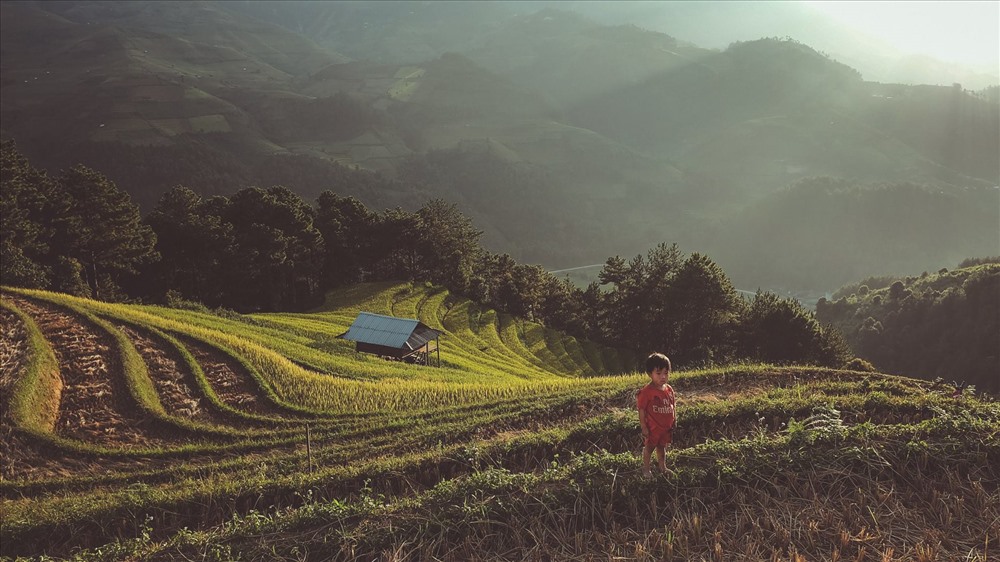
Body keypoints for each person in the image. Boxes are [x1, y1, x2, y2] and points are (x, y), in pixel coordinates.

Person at [637, 352, 675, 477]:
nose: (663, 376)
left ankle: (663, 467)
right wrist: (643, 426)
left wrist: (674, 420)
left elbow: (672, 405)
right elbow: (641, 409)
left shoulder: (669, 389)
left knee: (662, 447)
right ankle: (646, 469)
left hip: (665, 428)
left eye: (666, 373)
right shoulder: (646, 392)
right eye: (658, 373)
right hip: (653, 428)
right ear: (650, 374)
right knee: (649, 447)